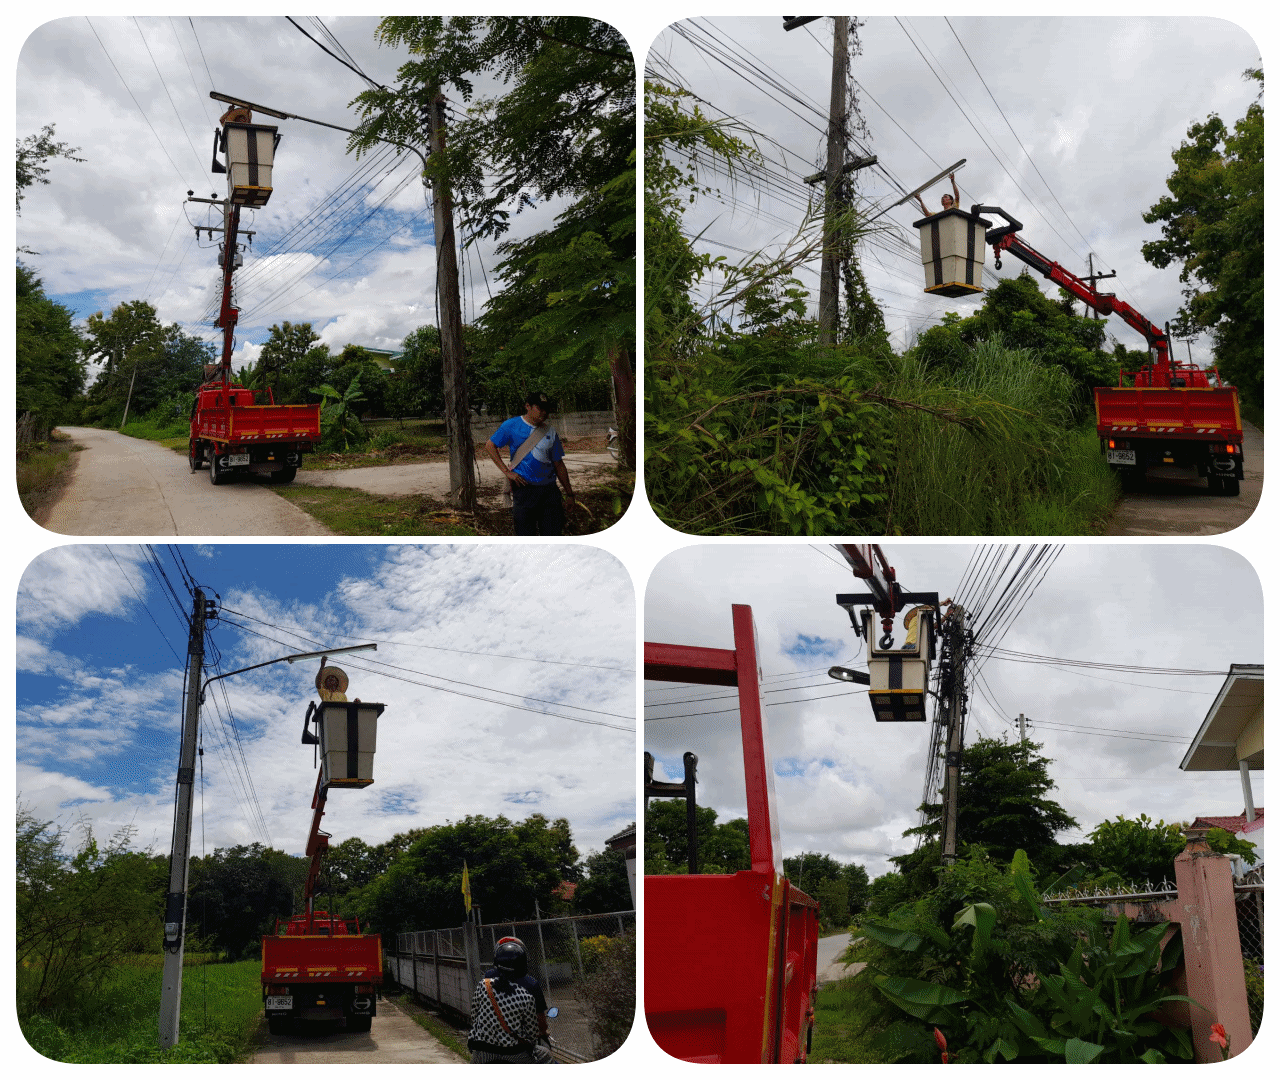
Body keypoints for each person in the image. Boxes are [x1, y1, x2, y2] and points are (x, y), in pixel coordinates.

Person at [485, 391, 576, 535]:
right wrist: (507, 472)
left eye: (546, 409)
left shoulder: (550, 431)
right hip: (524, 490)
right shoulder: (511, 426)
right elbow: (490, 445)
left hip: (549, 491)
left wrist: (570, 494)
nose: (544, 413)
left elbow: (558, 464)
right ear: (528, 406)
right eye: (540, 408)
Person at [467, 939, 550, 1063]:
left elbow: (474, 1016)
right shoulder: (526, 996)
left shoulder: (484, 985)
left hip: (482, 1052)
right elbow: (532, 1033)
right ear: (522, 966)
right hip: (514, 1054)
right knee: (546, 1054)